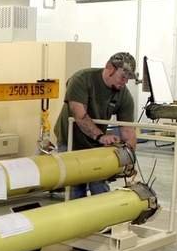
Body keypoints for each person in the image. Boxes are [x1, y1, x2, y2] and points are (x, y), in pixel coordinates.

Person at [54, 52, 138, 199]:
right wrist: (101, 136)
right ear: (110, 68)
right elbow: (80, 116)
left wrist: (129, 158)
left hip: (97, 145)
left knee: (100, 187)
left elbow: (128, 130)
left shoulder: (124, 95)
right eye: (122, 77)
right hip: (71, 142)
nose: (125, 82)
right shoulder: (81, 79)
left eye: (128, 79)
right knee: (75, 188)